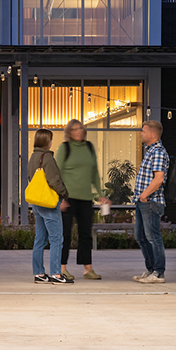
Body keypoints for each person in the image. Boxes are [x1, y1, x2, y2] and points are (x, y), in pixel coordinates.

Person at [57, 119, 105, 280]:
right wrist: (60, 198)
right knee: (65, 234)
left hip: (85, 198)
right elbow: (57, 174)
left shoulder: (89, 147)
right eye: (74, 129)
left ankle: (87, 269)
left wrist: (100, 195)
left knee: (85, 234)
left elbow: (94, 174)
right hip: (68, 199)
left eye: (80, 128)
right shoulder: (65, 148)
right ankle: (61, 268)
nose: (78, 131)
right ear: (69, 132)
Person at [25, 128, 69, 284]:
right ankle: (57, 274)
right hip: (49, 203)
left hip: (36, 202)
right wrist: (64, 194)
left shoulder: (32, 157)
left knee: (40, 239)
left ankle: (39, 273)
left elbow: (31, 178)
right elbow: (54, 181)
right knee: (56, 239)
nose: (52, 142)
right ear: (46, 141)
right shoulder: (47, 158)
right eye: (50, 139)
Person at [132, 118, 170, 284]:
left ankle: (159, 273)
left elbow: (159, 178)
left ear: (153, 134)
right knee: (141, 236)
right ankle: (151, 270)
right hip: (143, 201)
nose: (141, 133)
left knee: (152, 237)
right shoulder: (150, 151)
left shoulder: (158, 152)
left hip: (151, 201)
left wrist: (144, 195)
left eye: (143, 131)